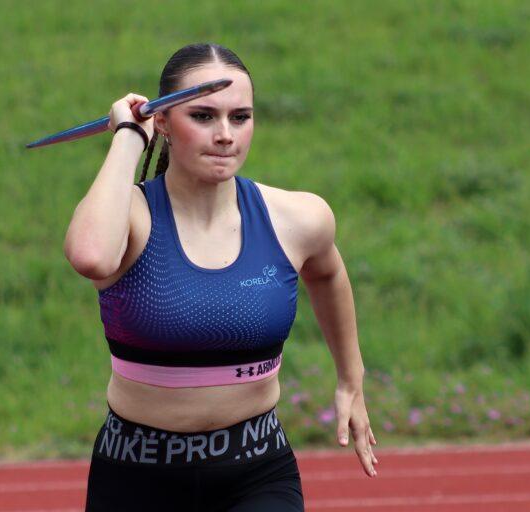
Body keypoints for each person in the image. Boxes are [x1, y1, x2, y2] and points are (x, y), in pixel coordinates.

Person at [64, 42, 377, 512]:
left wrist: (351, 377)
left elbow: (328, 272)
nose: (226, 135)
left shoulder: (297, 218)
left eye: (241, 117)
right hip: (135, 475)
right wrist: (128, 137)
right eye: (203, 116)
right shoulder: (130, 217)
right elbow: (90, 257)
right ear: (163, 121)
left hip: (257, 471)